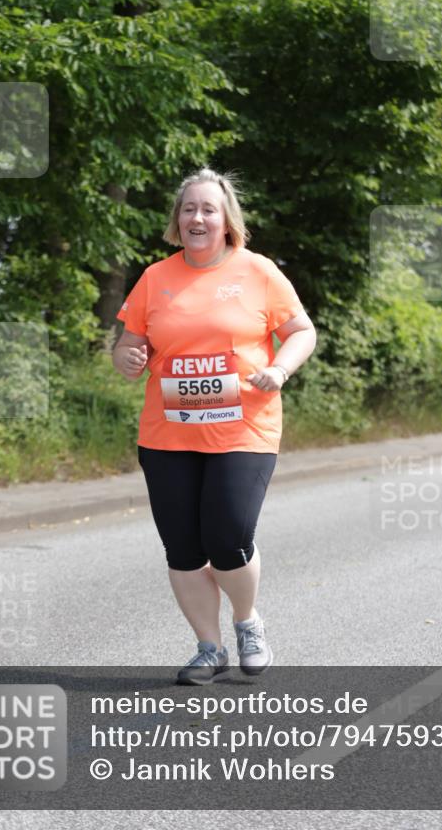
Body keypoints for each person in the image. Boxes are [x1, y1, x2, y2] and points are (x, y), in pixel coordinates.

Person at [113, 168, 317, 685]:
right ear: (176, 221)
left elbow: (301, 331)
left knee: (227, 537)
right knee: (183, 548)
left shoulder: (259, 272)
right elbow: (127, 343)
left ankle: (247, 622)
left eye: (208, 209)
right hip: (167, 435)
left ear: (227, 220)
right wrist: (127, 357)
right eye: (188, 209)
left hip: (243, 428)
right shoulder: (155, 277)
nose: (197, 218)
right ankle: (209, 648)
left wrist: (280, 368)